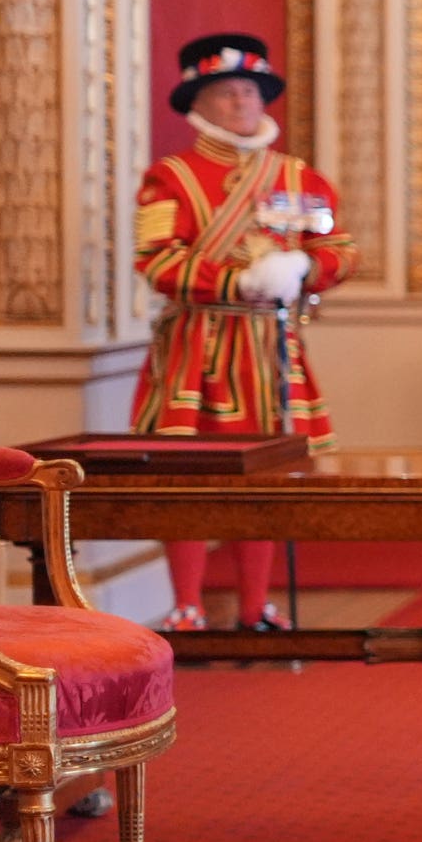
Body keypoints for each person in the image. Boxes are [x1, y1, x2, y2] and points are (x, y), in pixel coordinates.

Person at [131, 33, 360, 630]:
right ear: (197, 104)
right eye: (227, 93)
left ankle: (258, 605)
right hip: (197, 349)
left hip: (271, 351)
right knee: (186, 480)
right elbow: (157, 260)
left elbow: (339, 248)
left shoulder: (299, 175)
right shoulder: (170, 177)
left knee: (268, 479)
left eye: (251, 92)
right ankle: (186, 605)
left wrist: (305, 267)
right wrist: (240, 283)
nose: (242, 103)